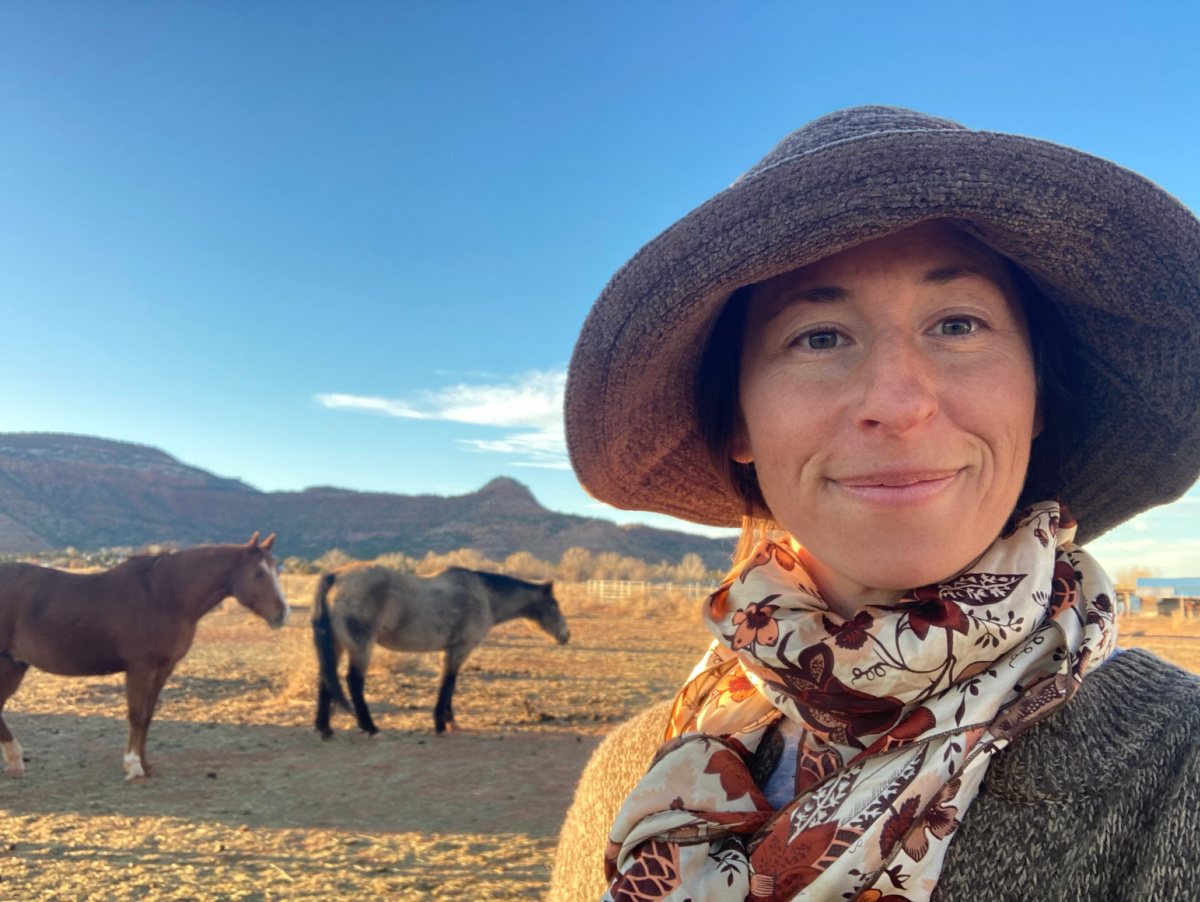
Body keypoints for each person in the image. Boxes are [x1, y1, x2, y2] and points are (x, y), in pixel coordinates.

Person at [548, 106, 1200, 902]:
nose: (897, 402)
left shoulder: (1178, 769)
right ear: (739, 422)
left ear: (1037, 399)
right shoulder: (630, 775)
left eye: (958, 324)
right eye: (819, 336)